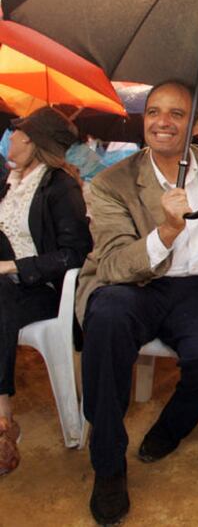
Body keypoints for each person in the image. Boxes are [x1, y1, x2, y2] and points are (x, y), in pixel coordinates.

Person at [76, 80, 198, 525]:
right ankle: (108, 462)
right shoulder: (112, 181)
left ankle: (173, 425)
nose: (162, 122)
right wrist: (166, 231)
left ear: (197, 124)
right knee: (106, 318)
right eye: (153, 112)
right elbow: (111, 264)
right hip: (136, 284)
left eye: (176, 114)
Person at [0, 106, 92, 476]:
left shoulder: (59, 185)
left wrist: (15, 267)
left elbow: (75, 254)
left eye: (19, 132)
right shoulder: (9, 181)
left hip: (43, 289)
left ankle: (4, 420)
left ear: (33, 142)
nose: (11, 137)